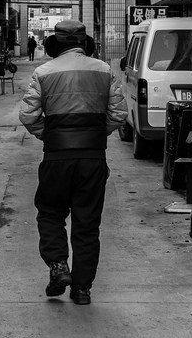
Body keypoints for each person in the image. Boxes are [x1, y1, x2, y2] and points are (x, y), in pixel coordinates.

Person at [19, 20, 127, 305]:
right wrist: (94, 136)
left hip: (56, 157)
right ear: (85, 43)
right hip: (93, 158)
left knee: (50, 213)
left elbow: (28, 116)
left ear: (56, 44)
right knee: (87, 224)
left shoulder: (43, 72)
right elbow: (118, 114)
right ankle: (81, 290)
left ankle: (58, 266)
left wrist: (51, 136)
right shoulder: (104, 70)